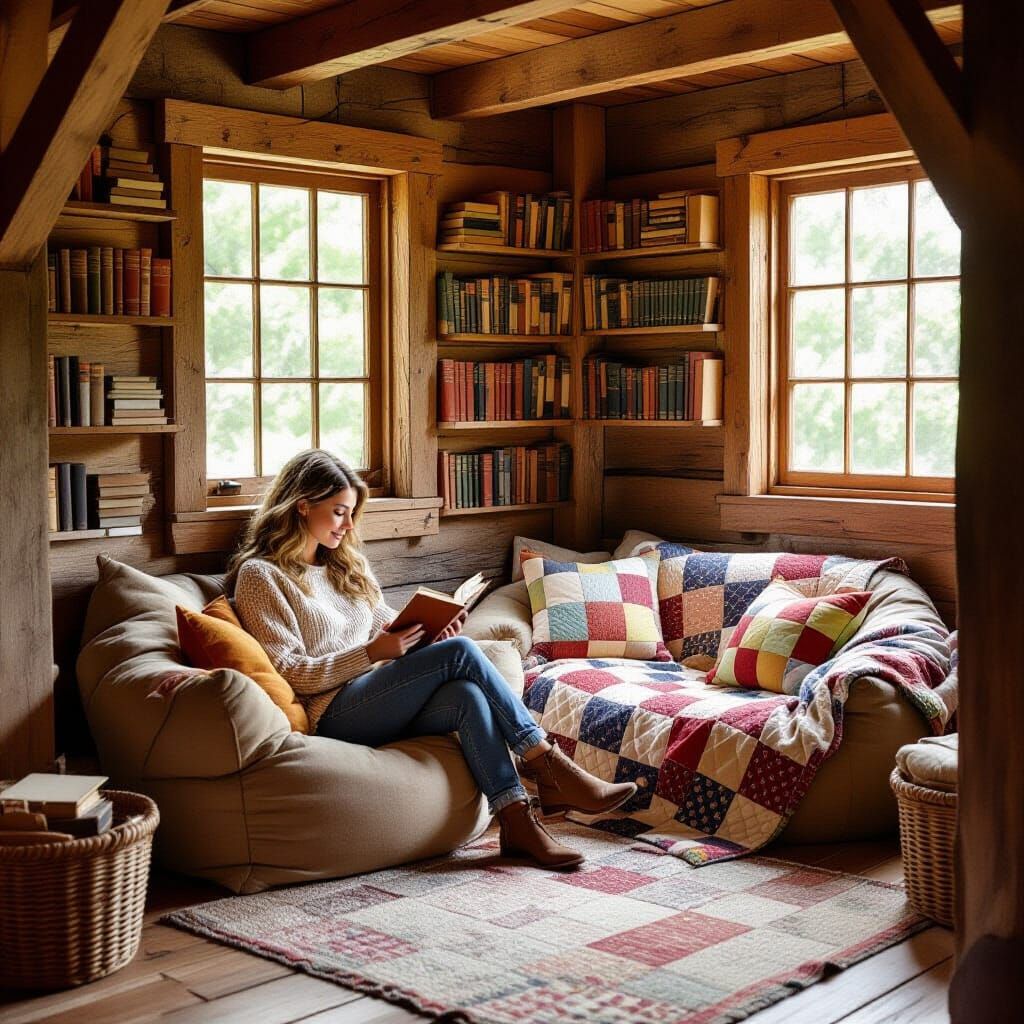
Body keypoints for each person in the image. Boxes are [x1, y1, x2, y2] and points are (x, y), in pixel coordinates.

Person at [228, 449, 636, 870]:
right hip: (332, 712)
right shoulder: (262, 576)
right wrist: (372, 653)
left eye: (352, 513)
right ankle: (548, 764)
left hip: (379, 696)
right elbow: (290, 670)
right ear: (302, 507)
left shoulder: (345, 566)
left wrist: (431, 633)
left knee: (465, 695)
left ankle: (518, 823)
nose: (348, 525)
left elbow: (389, 627)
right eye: (338, 513)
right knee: (461, 654)